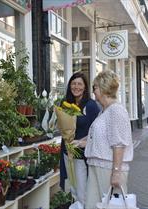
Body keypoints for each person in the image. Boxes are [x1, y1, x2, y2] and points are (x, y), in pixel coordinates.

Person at [84, 70, 133, 209]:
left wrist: (116, 173)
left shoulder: (116, 110)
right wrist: (81, 142)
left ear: (103, 88)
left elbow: (119, 144)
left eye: (95, 87)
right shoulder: (104, 111)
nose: (93, 91)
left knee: (111, 206)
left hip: (108, 168)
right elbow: (101, 138)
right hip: (97, 166)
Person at [59, 72, 100, 206]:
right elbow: (61, 125)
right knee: (72, 188)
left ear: (85, 87)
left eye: (79, 84)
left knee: (82, 190)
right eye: (73, 83)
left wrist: (82, 141)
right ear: (70, 85)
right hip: (67, 151)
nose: (76, 87)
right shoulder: (65, 104)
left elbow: (96, 131)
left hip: (81, 153)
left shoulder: (91, 105)